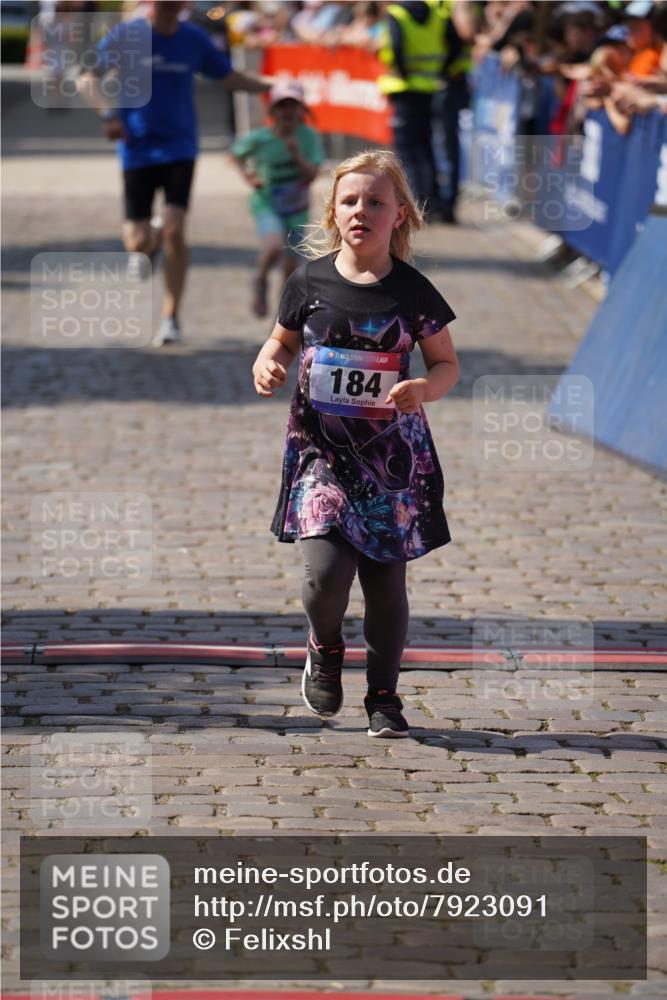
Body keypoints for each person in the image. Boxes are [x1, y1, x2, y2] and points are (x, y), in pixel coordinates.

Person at [252, 150, 459, 738]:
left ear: (399, 216)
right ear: (332, 213)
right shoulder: (307, 280)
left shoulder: (414, 292)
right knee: (324, 572)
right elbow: (280, 343)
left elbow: (446, 365)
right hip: (320, 451)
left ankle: (384, 697)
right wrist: (267, 365)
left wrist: (423, 386)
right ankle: (325, 645)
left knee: (384, 579)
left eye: (375, 201)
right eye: (349, 201)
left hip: (391, 457)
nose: (361, 210)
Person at [78, 0, 272, 347]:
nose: (168, 9)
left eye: (175, 3)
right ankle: (147, 239)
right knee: (136, 243)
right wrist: (107, 114)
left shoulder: (194, 40)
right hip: (136, 147)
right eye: (162, 3)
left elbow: (227, 76)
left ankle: (170, 317)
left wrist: (269, 85)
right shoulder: (126, 37)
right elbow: (86, 76)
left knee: (176, 229)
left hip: (180, 147)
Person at [231, 80, 324, 318]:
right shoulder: (261, 137)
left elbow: (312, 175)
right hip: (267, 203)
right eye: (282, 106)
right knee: (273, 248)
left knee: (292, 266)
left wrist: (296, 155)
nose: (288, 112)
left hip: (297, 208)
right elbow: (235, 154)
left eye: (293, 106)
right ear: (273, 111)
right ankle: (260, 279)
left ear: (303, 111)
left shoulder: (309, 137)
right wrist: (249, 176)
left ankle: (284, 313)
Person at [377, 1, 448, 219]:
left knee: (407, 151)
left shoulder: (397, 13)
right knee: (425, 147)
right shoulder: (437, 13)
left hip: (404, 89)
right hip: (428, 88)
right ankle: (431, 202)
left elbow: (397, 47)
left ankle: (415, 203)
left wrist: (404, 72)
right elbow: (452, 44)